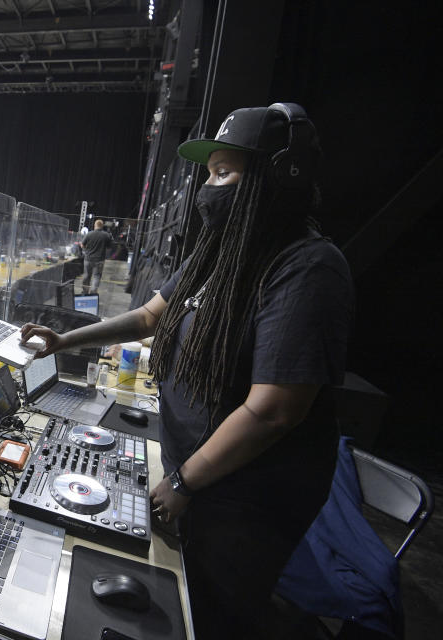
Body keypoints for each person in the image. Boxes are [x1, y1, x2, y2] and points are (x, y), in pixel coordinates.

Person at [20, 104, 353, 639]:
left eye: (225, 173)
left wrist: (183, 480)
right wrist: (67, 340)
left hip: (242, 502)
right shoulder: (221, 255)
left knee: (210, 616)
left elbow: (272, 411)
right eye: (209, 174)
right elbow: (152, 315)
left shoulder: (308, 268)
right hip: (192, 477)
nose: (209, 188)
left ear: (277, 177)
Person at [80, 219, 113, 294]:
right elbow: (109, 247)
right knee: (96, 276)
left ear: (95, 225)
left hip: (88, 259)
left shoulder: (89, 234)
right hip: (99, 260)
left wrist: (87, 250)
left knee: (86, 276)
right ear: (102, 226)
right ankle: (93, 293)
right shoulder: (106, 235)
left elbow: (82, 245)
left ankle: (85, 291)